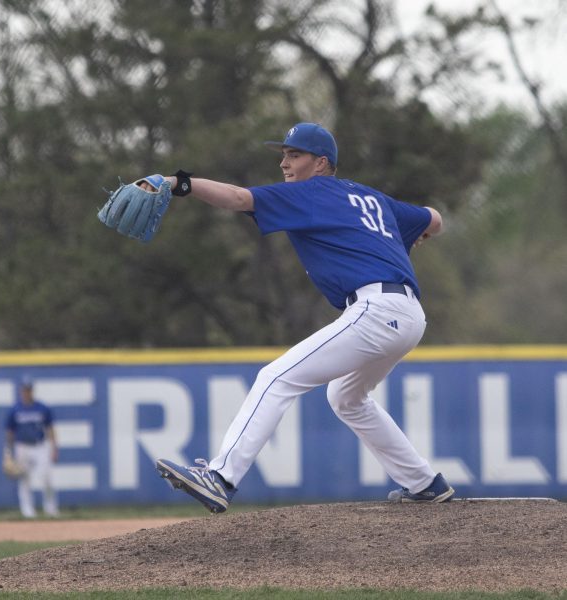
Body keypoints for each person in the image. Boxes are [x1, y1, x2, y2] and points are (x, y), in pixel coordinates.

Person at [154, 122, 454, 512]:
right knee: (346, 397)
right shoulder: (370, 197)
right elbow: (434, 218)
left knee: (275, 378)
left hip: (376, 310)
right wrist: (416, 231)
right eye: (283, 154)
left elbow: (236, 198)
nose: (284, 163)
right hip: (410, 315)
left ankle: (220, 477)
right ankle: (424, 483)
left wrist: (179, 182)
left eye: (294, 155)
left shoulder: (310, 193)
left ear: (320, 163)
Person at [5, 376, 59, 518]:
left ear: (32, 390)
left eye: (29, 389)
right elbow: (10, 432)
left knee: (46, 477)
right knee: (25, 480)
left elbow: (50, 429)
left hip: (40, 446)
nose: (27, 392)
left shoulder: (42, 408)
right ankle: (28, 511)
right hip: (22, 447)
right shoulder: (15, 409)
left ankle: (51, 509)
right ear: (21, 390)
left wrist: (54, 448)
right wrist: (8, 452)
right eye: (25, 389)